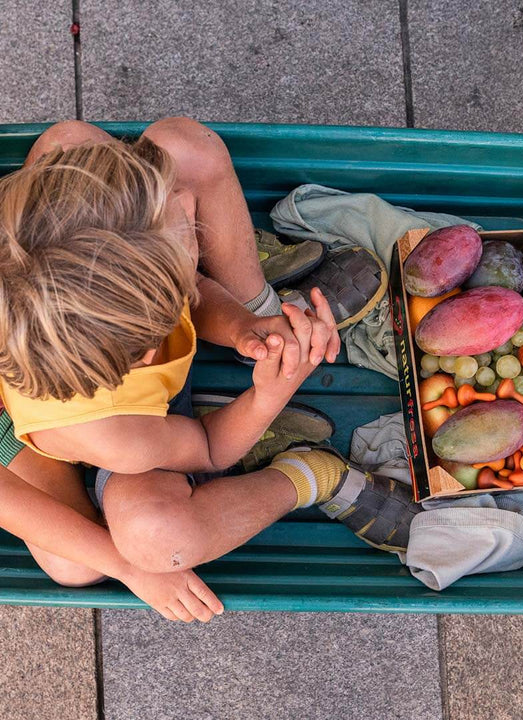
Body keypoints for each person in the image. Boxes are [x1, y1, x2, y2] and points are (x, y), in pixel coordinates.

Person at [0, 118, 419, 623]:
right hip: (74, 429)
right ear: (148, 352)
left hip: (83, 366)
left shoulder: (62, 280)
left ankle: (263, 304)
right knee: (123, 551)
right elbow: (209, 445)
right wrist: (270, 394)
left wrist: (250, 327)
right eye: (190, 236)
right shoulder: (115, 432)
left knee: (75, 143)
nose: (189, 206)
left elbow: (178, 289)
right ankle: (313, 474)